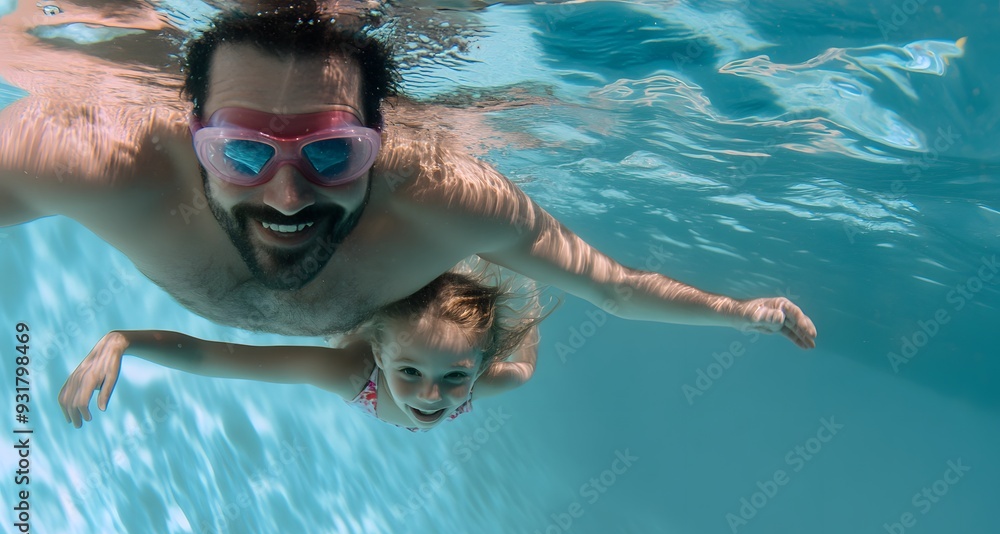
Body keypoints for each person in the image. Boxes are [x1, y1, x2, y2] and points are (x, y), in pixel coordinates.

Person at [0, 3, 817, 347]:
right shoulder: (100, 163)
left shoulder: (447, 203)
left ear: (379, 144)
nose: (287, 196)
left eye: (331, 154)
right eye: (243, 154)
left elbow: (612, 287)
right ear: (194, 138)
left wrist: (739, 314)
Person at [58, 271, 545, 432]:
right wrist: (126, 340)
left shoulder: (496, 376)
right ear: (379, 352)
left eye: (457, 377)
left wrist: (530, 284)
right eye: (410, 370)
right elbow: (218, 358)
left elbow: (523, 360)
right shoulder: (349, 372)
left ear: (481, 366)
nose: (432, 395)